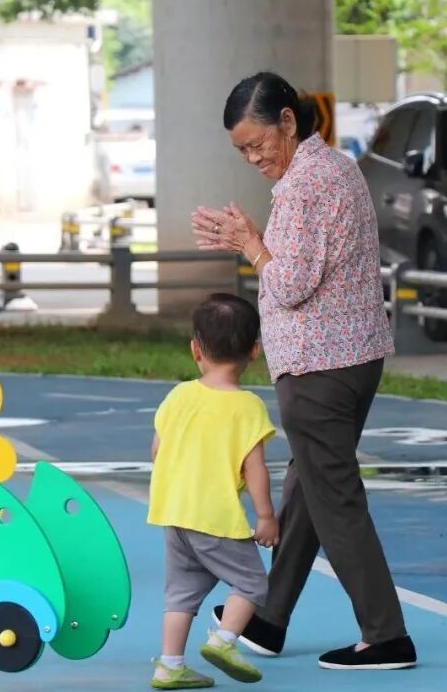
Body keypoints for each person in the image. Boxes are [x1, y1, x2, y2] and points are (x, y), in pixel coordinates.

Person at [190, 71, 416, 670]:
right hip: (349, 358)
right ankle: (269, 617)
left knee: (334, 499)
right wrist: (251, 240)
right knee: (308, 493)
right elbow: (301, 266)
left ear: (287, 121)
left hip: (320, 366)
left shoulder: (305, 184)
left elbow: (289, 283)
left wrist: (249, 244)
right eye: (241, 150)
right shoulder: (333, 168)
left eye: (257, 143)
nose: (252, 158)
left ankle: (386, 634)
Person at [148, 293, 278, 689]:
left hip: (174, 513)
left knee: (181, 593)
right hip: (215, 515)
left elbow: (156, 450)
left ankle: (169, 665)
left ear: (195, 349)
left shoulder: (179, 395)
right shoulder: (247, 407)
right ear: (254, 351)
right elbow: (254, 469)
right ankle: (223, 640)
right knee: (253, 583)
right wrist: (266, 516)